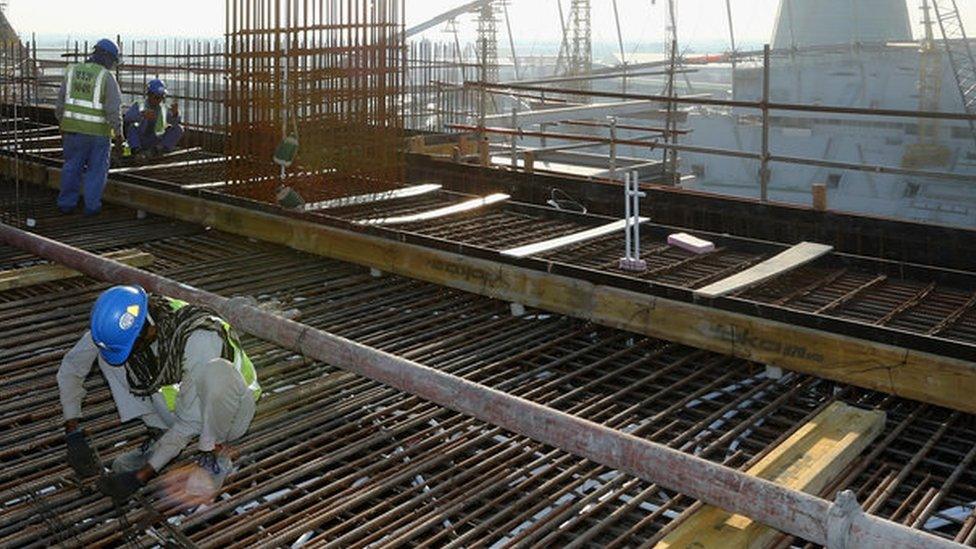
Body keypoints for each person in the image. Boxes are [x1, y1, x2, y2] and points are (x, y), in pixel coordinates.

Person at [59, 286, 261, 504]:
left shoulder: (199, 337)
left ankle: (213, 457)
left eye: (133, 344)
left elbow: (190, 423)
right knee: (111, 358)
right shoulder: (123, 325)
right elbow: (72, 367)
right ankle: (159, 433)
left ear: (149, 329)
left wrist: (141, 476)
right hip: (184, 405)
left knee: (216, 373)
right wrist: (73, 433)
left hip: (230, 413)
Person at [54, 38, 123, 216]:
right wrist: (119, 133)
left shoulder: (72, 71)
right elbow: (113, 110)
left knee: (71, 167)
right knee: (96, 171)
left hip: (73, 131)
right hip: (98, 134)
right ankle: (91, 207)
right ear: (108, 58)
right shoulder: (106, 77)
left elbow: (60, 104)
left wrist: (62, 122)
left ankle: (66, 204)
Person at [123, 79, 183, 156]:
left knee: (178, 129)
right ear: (149, 95)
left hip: (155, 139)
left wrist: (175, 114)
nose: (159, 100)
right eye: (157, 97)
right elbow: (127, 118)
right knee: (132, 127)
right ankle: (137, 151)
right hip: (141, 139)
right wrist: (142, 115)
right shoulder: (139, 105)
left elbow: (175, 122)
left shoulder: (163, 108)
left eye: (162, 97)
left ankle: (158, 150)